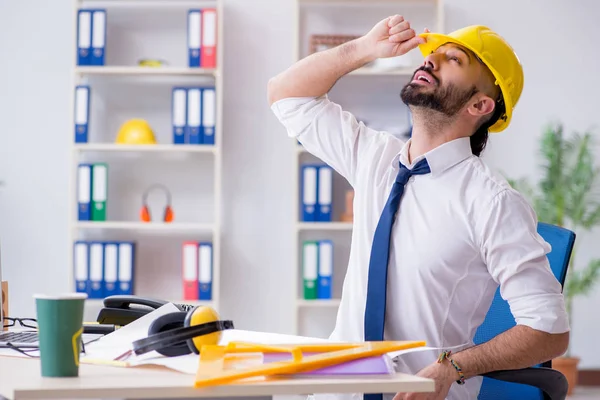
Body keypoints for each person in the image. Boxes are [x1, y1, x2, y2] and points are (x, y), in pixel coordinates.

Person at [267, 15, 570, 400]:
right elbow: (285, 94)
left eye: (453, 60)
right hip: (339, 386)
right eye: (433, 55)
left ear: (480, 104)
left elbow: (548, 330)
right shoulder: (374, 156)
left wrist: (452, 367)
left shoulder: (491, 202)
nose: (430, 61)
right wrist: (364, 49)